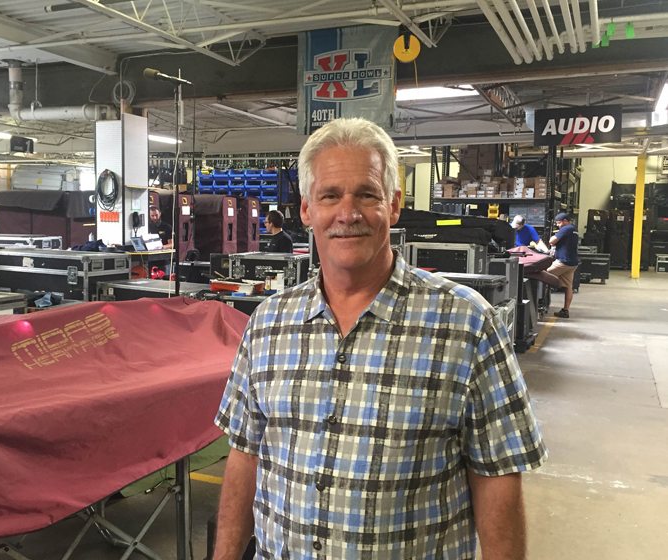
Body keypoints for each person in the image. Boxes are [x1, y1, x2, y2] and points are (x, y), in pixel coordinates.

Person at [214, 117, 546, 559]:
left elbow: (498, 476)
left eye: (366, 194)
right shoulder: (268, 323)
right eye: (330, 195)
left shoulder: (467, 325)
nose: (347, 214)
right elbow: (244, 457)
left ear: (393, 204)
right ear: (307, 210)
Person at [534, 212, 579, 318]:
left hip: (563, 262)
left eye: (559, 223)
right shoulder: (574, 229)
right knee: (568, 286)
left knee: (539, 275)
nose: (558, 225)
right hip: (572, 263)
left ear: (565, 221)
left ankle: (537, 305)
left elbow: (551, 241)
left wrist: (556, 235)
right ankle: (565, 310)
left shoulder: (566, 228)